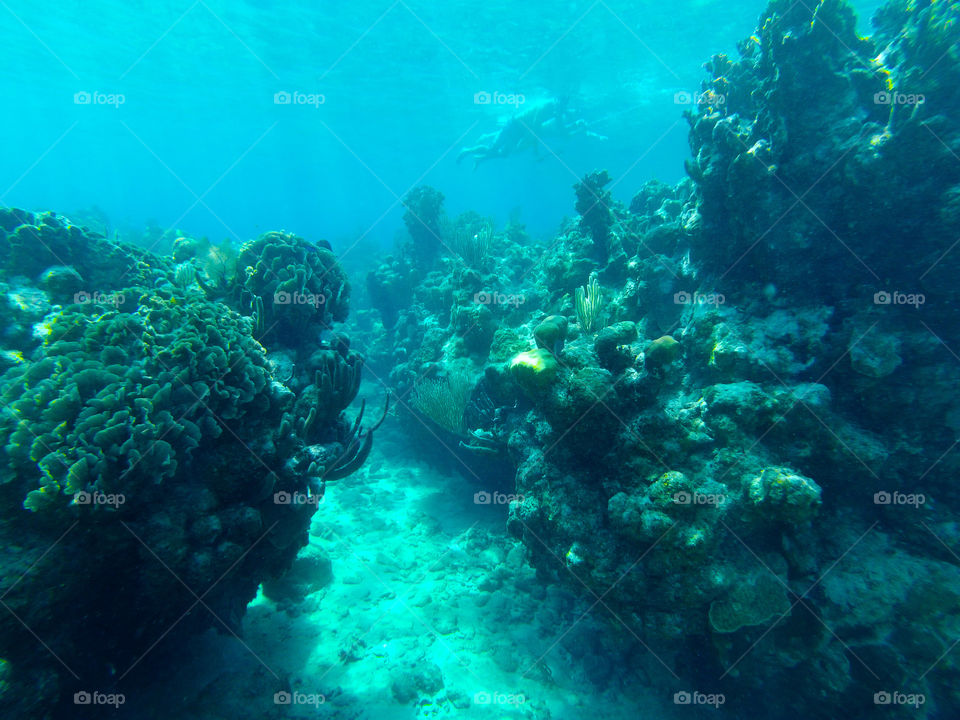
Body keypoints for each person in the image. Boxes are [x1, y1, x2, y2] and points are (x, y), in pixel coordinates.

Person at [457, 97, 606, 168]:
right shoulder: (545, 106)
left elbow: (562, 132)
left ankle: (478, 159)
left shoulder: (556, 112)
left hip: (520, 131)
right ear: (557, 102)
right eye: (560, 107)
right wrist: (534, 147)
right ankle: (468, 150)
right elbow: (535, 128)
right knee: (493, 149)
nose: (561, 110)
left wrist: (580, 127)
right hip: (514, 125)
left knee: (504, 154)